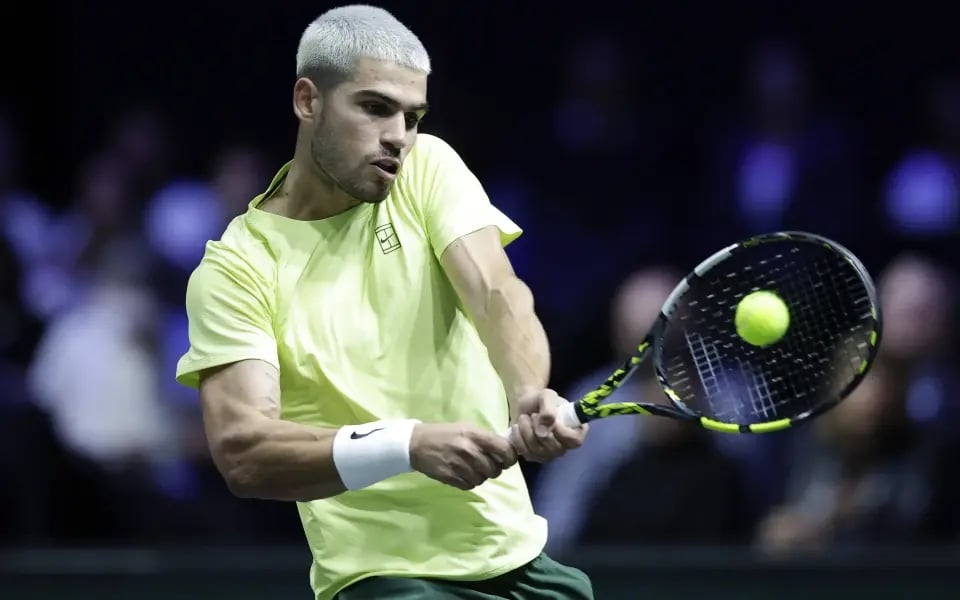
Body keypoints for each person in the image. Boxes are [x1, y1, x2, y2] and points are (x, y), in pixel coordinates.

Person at [174, 5, 593, 600]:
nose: (398, 134)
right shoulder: (237, 270)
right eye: (374, 107)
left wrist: (528, 390)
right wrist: (409, 445)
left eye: (413, 116)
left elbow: (497, 291)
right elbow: (245, 451)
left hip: (521, 560)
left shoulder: (426, 169)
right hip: (385, 580)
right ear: (307, 101)